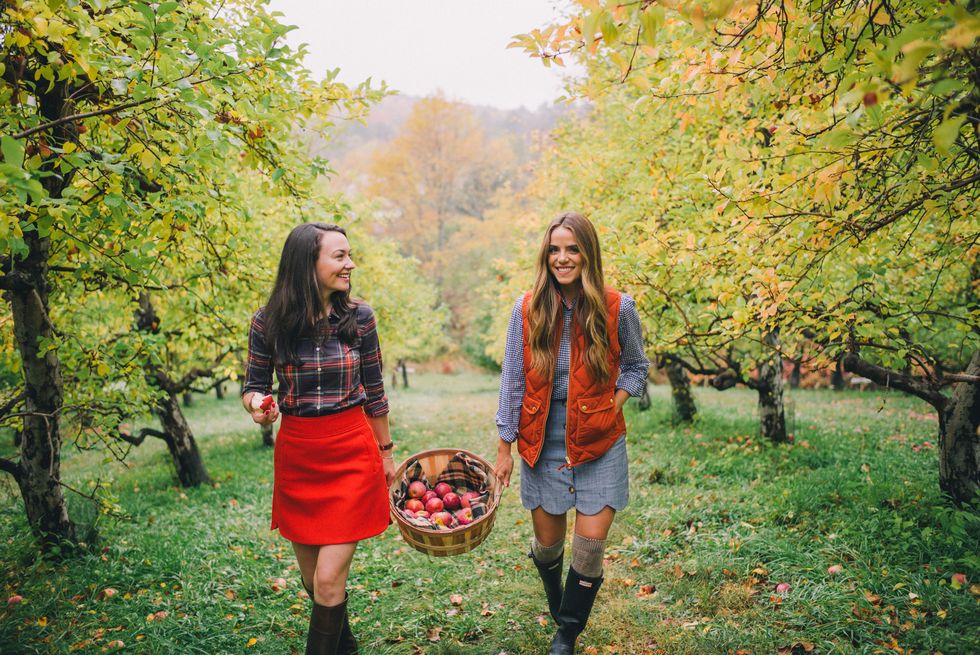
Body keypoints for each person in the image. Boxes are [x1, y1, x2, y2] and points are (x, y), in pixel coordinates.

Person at [494, 212, 649, 655]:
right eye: (555, 250)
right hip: (542, 436)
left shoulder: (619, 307)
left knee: (589, 549)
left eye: (573, 249)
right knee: (548, 548)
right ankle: (561, 602)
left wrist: (612, 405)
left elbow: (636, 366)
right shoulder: (526, 308)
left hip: (599, 438)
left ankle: (566, 634)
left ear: (587, 254)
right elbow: (513, 380)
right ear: (546, 255)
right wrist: (504, 447)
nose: (562, 258)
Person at [242, 223, 396, 655]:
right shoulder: (268, 322)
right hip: (298, 455)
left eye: (350, 255)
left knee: (328, 581)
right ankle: (344, 647)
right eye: (340, 256)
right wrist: (257, 406)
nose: (350, 265)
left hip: (350, 452)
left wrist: (386, 454)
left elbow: (375, 392)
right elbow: (253, 386)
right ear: (307, 264)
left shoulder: (360, 318)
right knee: (314, 581)